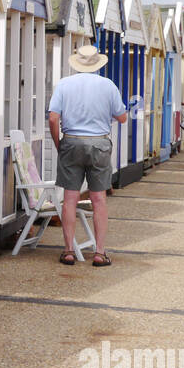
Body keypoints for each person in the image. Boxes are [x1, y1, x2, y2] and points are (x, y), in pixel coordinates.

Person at [49, 43, 128, 268]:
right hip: (100, 143)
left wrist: (59, 143)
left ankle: (68, 251)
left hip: (71, 141)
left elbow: (53, 118)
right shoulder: (108, 85)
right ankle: (100, 253)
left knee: (70, 199)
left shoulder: (64, 84)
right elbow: (122, 117)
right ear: (97, 63)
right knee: (99, 200)